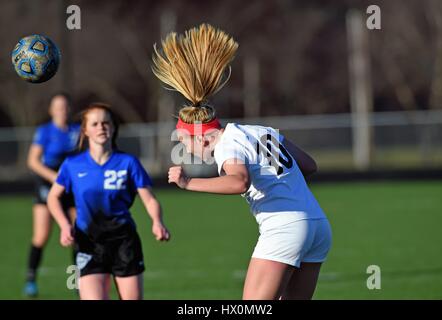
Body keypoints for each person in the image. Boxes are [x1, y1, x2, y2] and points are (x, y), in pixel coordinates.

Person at [152, 24, 332, 300]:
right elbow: (308, 165)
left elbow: (239, 181)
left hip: (284, 228)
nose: (186, 149)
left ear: (199, 136)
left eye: (184, 142)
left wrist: (188, 183)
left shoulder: (227, 144)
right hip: (317, 225)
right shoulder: (257, 132)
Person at [47, 103, 170, 300]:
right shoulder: (72, 165)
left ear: (113, 128)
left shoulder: (128, 163)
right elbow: (53, 197)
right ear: (85, 130)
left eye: (106, 123)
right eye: (94, 124)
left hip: (123, 242)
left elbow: (149, 199)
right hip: (88, 242)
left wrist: (157, 222)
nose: (101, 127)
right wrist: (63, 225)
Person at [25, 93, 79, 297]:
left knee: (77, 235)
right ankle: (31, 279)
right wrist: (55, 177)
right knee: (42, 235)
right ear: (51, 110)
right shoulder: (45, 131)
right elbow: (33, 161)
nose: (62, 110)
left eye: (65, 106)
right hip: (48, 184)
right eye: (58, 106)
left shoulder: (76, 130)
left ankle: (76, 281)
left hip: (71, 185)